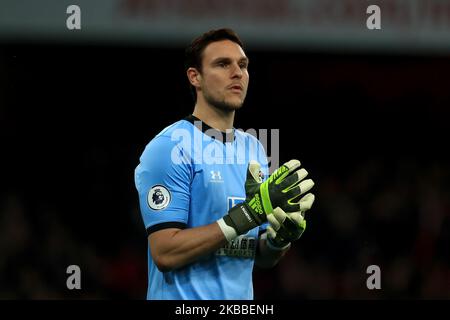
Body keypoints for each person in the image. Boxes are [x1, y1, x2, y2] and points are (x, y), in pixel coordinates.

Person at [134, 28, 315, 300]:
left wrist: (278, 241)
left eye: (243, 65)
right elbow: (165, 253)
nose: (237, 73)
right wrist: (251, 213)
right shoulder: (170, 146)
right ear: (195, 77)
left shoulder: (254, 147)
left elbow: (257, 256)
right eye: (222, 64)